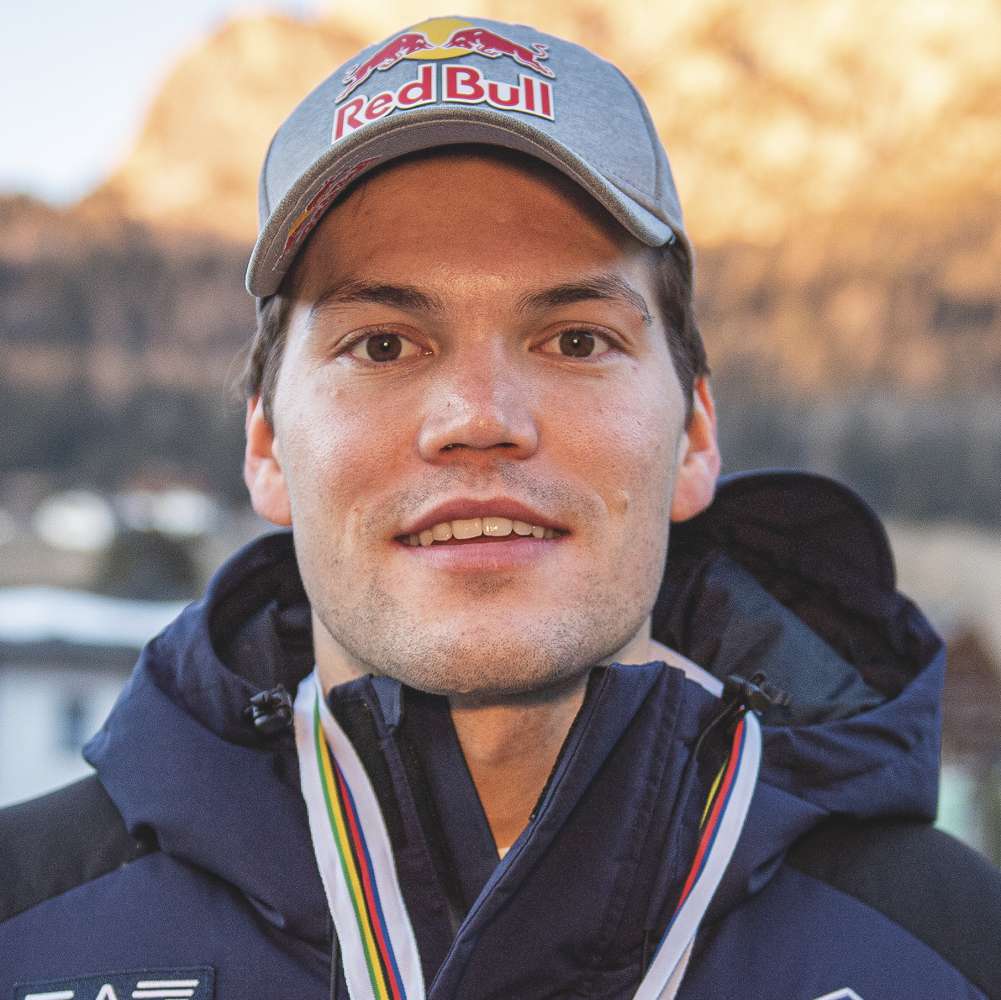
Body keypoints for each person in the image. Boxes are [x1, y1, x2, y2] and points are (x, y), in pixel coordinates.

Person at [2, 15, 1000, 1000]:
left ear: (695, 436)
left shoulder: (953, 951)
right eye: (382, 345)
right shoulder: (24, 925)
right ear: (266, 446)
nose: (479, 418)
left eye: (575, 340)